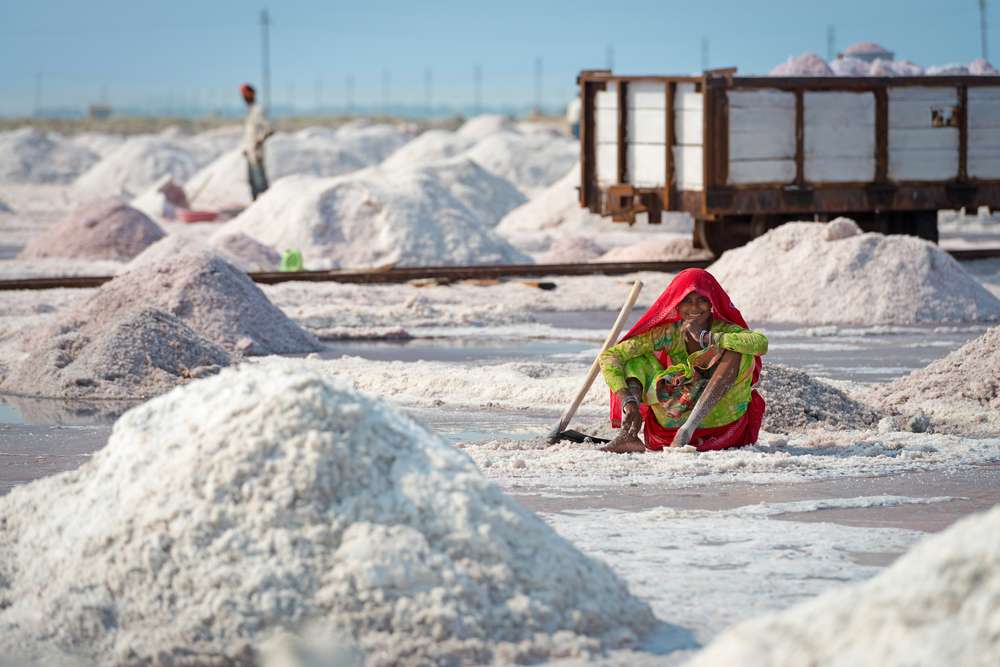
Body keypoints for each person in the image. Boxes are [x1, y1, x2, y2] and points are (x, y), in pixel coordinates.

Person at [598, 268, 767, 453]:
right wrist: (628, 401)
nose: (694, 308)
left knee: (738, 350)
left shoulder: (724, 330)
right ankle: (628, 434)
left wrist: (708, 338)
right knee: (635, 359)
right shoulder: (670, 333)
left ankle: (689, 427)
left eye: (702, 299)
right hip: (673, 416)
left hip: (720, 420)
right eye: (687, 300)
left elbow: (760, 343)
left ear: (712, 303)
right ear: (676, 305)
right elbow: (609, 356)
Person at [240, 83, 274, 200]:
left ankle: (266, 204)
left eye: (245, 95)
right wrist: (246, 147)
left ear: (251, 95)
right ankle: (255, 207)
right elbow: (250, 133)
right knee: (252, 182)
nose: (243, 98)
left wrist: (258, 142)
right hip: (250, 152)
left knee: (260, 183)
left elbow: (269, 129)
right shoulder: (251, 111)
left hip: (257, 152)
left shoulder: (258, 110)